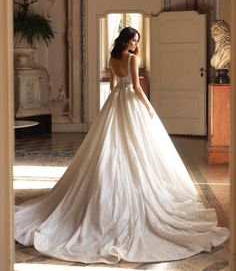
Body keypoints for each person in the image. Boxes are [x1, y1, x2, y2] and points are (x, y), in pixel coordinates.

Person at [15, 27, 229, 264]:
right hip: (130, 101)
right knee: (136, 146)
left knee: (111, 146)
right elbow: (136, 87)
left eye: (137, 42)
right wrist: (148, 107)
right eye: (135, 41)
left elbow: (113, 84)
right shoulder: (132, 58)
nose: (136, 45)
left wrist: (114, 101)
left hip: (115, 101)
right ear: (128, 41)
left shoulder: (113, 57)